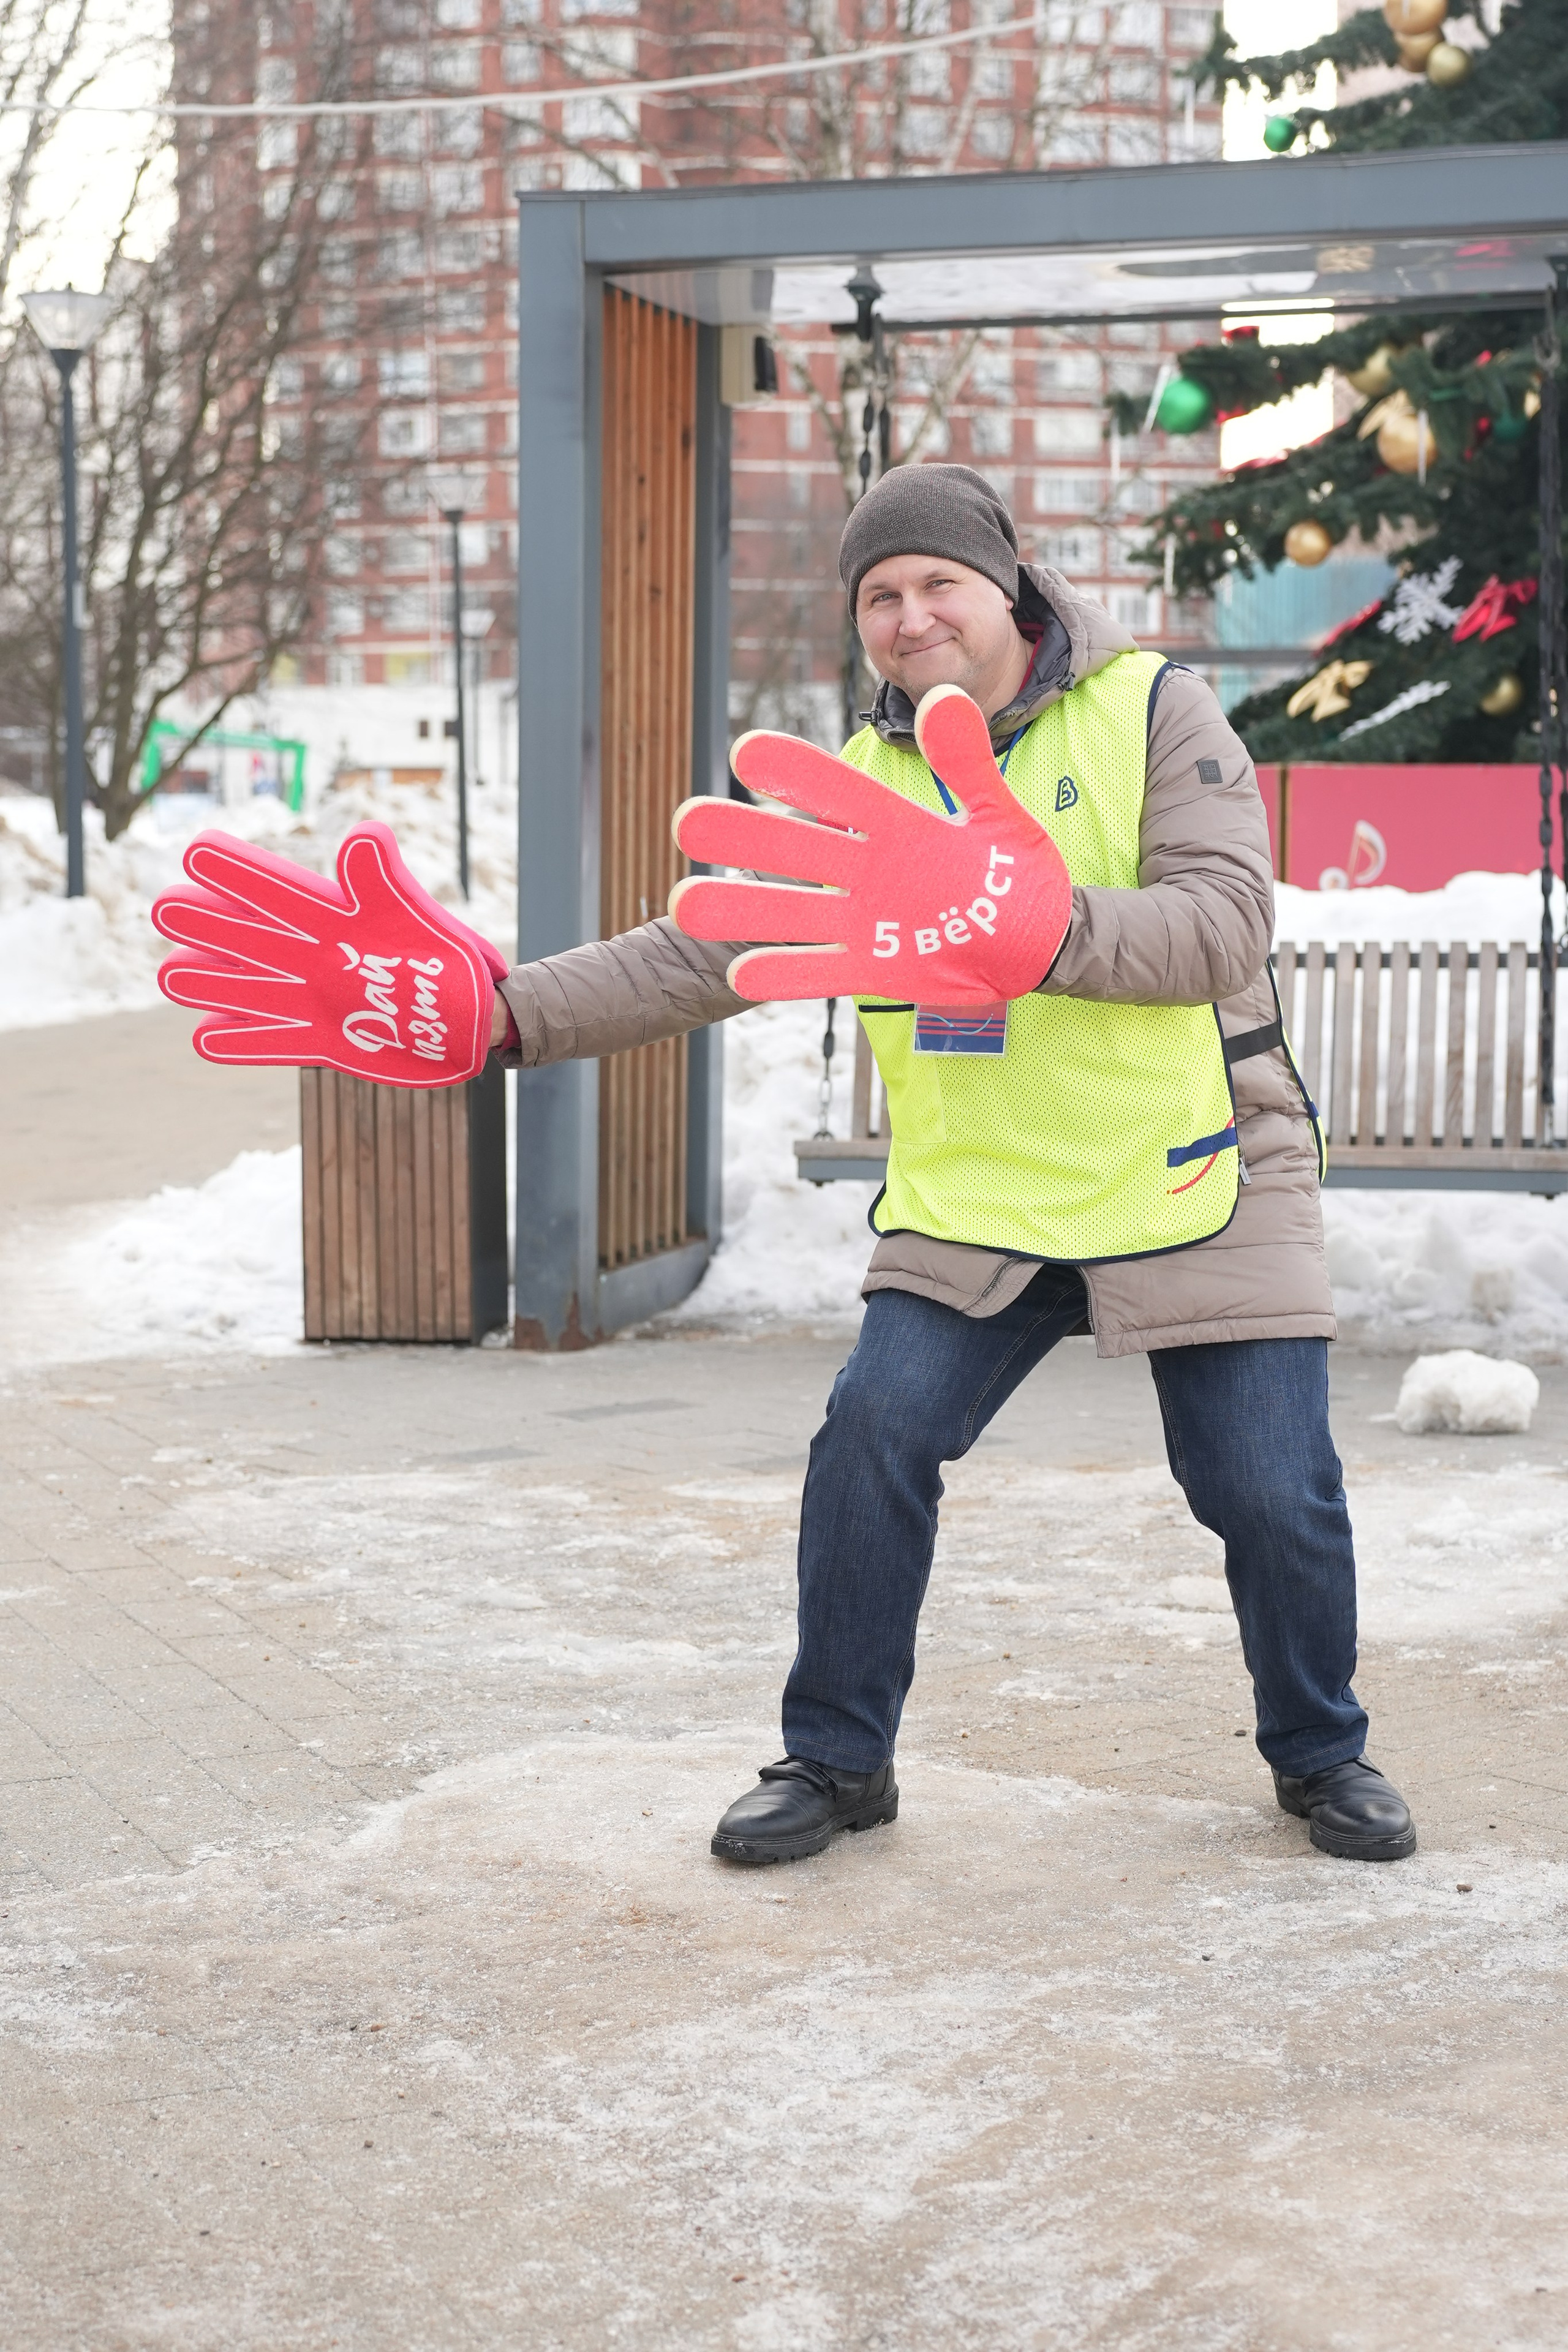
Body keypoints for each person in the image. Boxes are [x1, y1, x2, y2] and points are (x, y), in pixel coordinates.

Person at [489, 463, 1417, 1871]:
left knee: (1265, 1486)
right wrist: (498, 1015)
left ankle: (1319, 1755)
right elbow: (701, 947)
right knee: (871, 1438)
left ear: (1009, 584)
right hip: (981, 1189)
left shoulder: (1151, 709)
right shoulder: (860, 786)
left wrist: (1031, 929)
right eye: (879, 595)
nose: (911, 615)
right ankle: (837, 1761)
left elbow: (1220, 927)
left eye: (937, 584)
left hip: (1197, 1160)